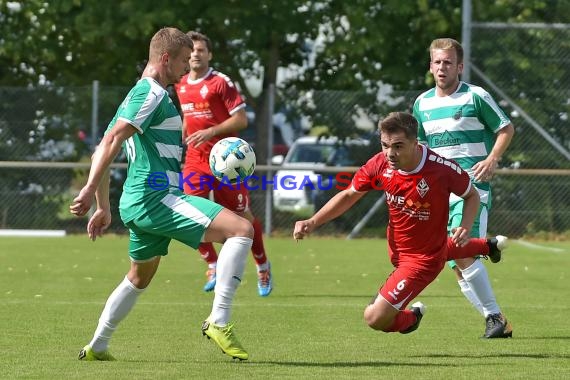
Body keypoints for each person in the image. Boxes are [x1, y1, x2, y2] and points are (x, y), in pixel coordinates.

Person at [70, 27, 251, 361]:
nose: (187, 67)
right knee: (241, 229)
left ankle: (97, 345)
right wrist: (90, 189)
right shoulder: (151, 93)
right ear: (166, 59)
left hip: (138, 201)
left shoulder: (139, 95)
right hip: (155, 197)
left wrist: (103, 206)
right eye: (183, 60)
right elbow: (110, 143)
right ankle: (219, 320)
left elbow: (105, 146)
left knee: (139, 277)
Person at [293, 112, 508, 335]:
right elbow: (349, 195)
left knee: (374, 317)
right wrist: (313, 220)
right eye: (385, 145)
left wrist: (465, 224)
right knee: (444, 246)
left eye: (398, 146)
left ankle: (412, 317)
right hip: (400, 248)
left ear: (416, 143)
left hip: (422, 261)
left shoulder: (441, 169)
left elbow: (471, 195)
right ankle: (488, 246)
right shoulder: (380, 162)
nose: (390, 153)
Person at [412, 38, 515, 339]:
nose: (442, 68)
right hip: (439, 194)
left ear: (459, 66)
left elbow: (506, 128)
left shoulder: (475, 96)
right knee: (455, 263)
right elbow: (421, 148)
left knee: (458, 249)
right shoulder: (422, 104)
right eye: (437, 62)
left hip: (472, 189)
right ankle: (496, 318)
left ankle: (494, 316)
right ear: (430, 66)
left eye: (448, 62)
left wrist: (492, 159)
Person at [174, 31, 272, 297]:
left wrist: (211, 132)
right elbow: (188, 118)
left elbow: (241, 120)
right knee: (187, 216)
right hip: (195, 161)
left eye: (201, 50)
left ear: (209, 55)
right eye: (192, 50)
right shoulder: (180, 84)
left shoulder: (220, 83)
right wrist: (181, 140)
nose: (195, 54)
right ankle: (213, 263)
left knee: (242, 218)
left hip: (227, 163)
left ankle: (262, 264)